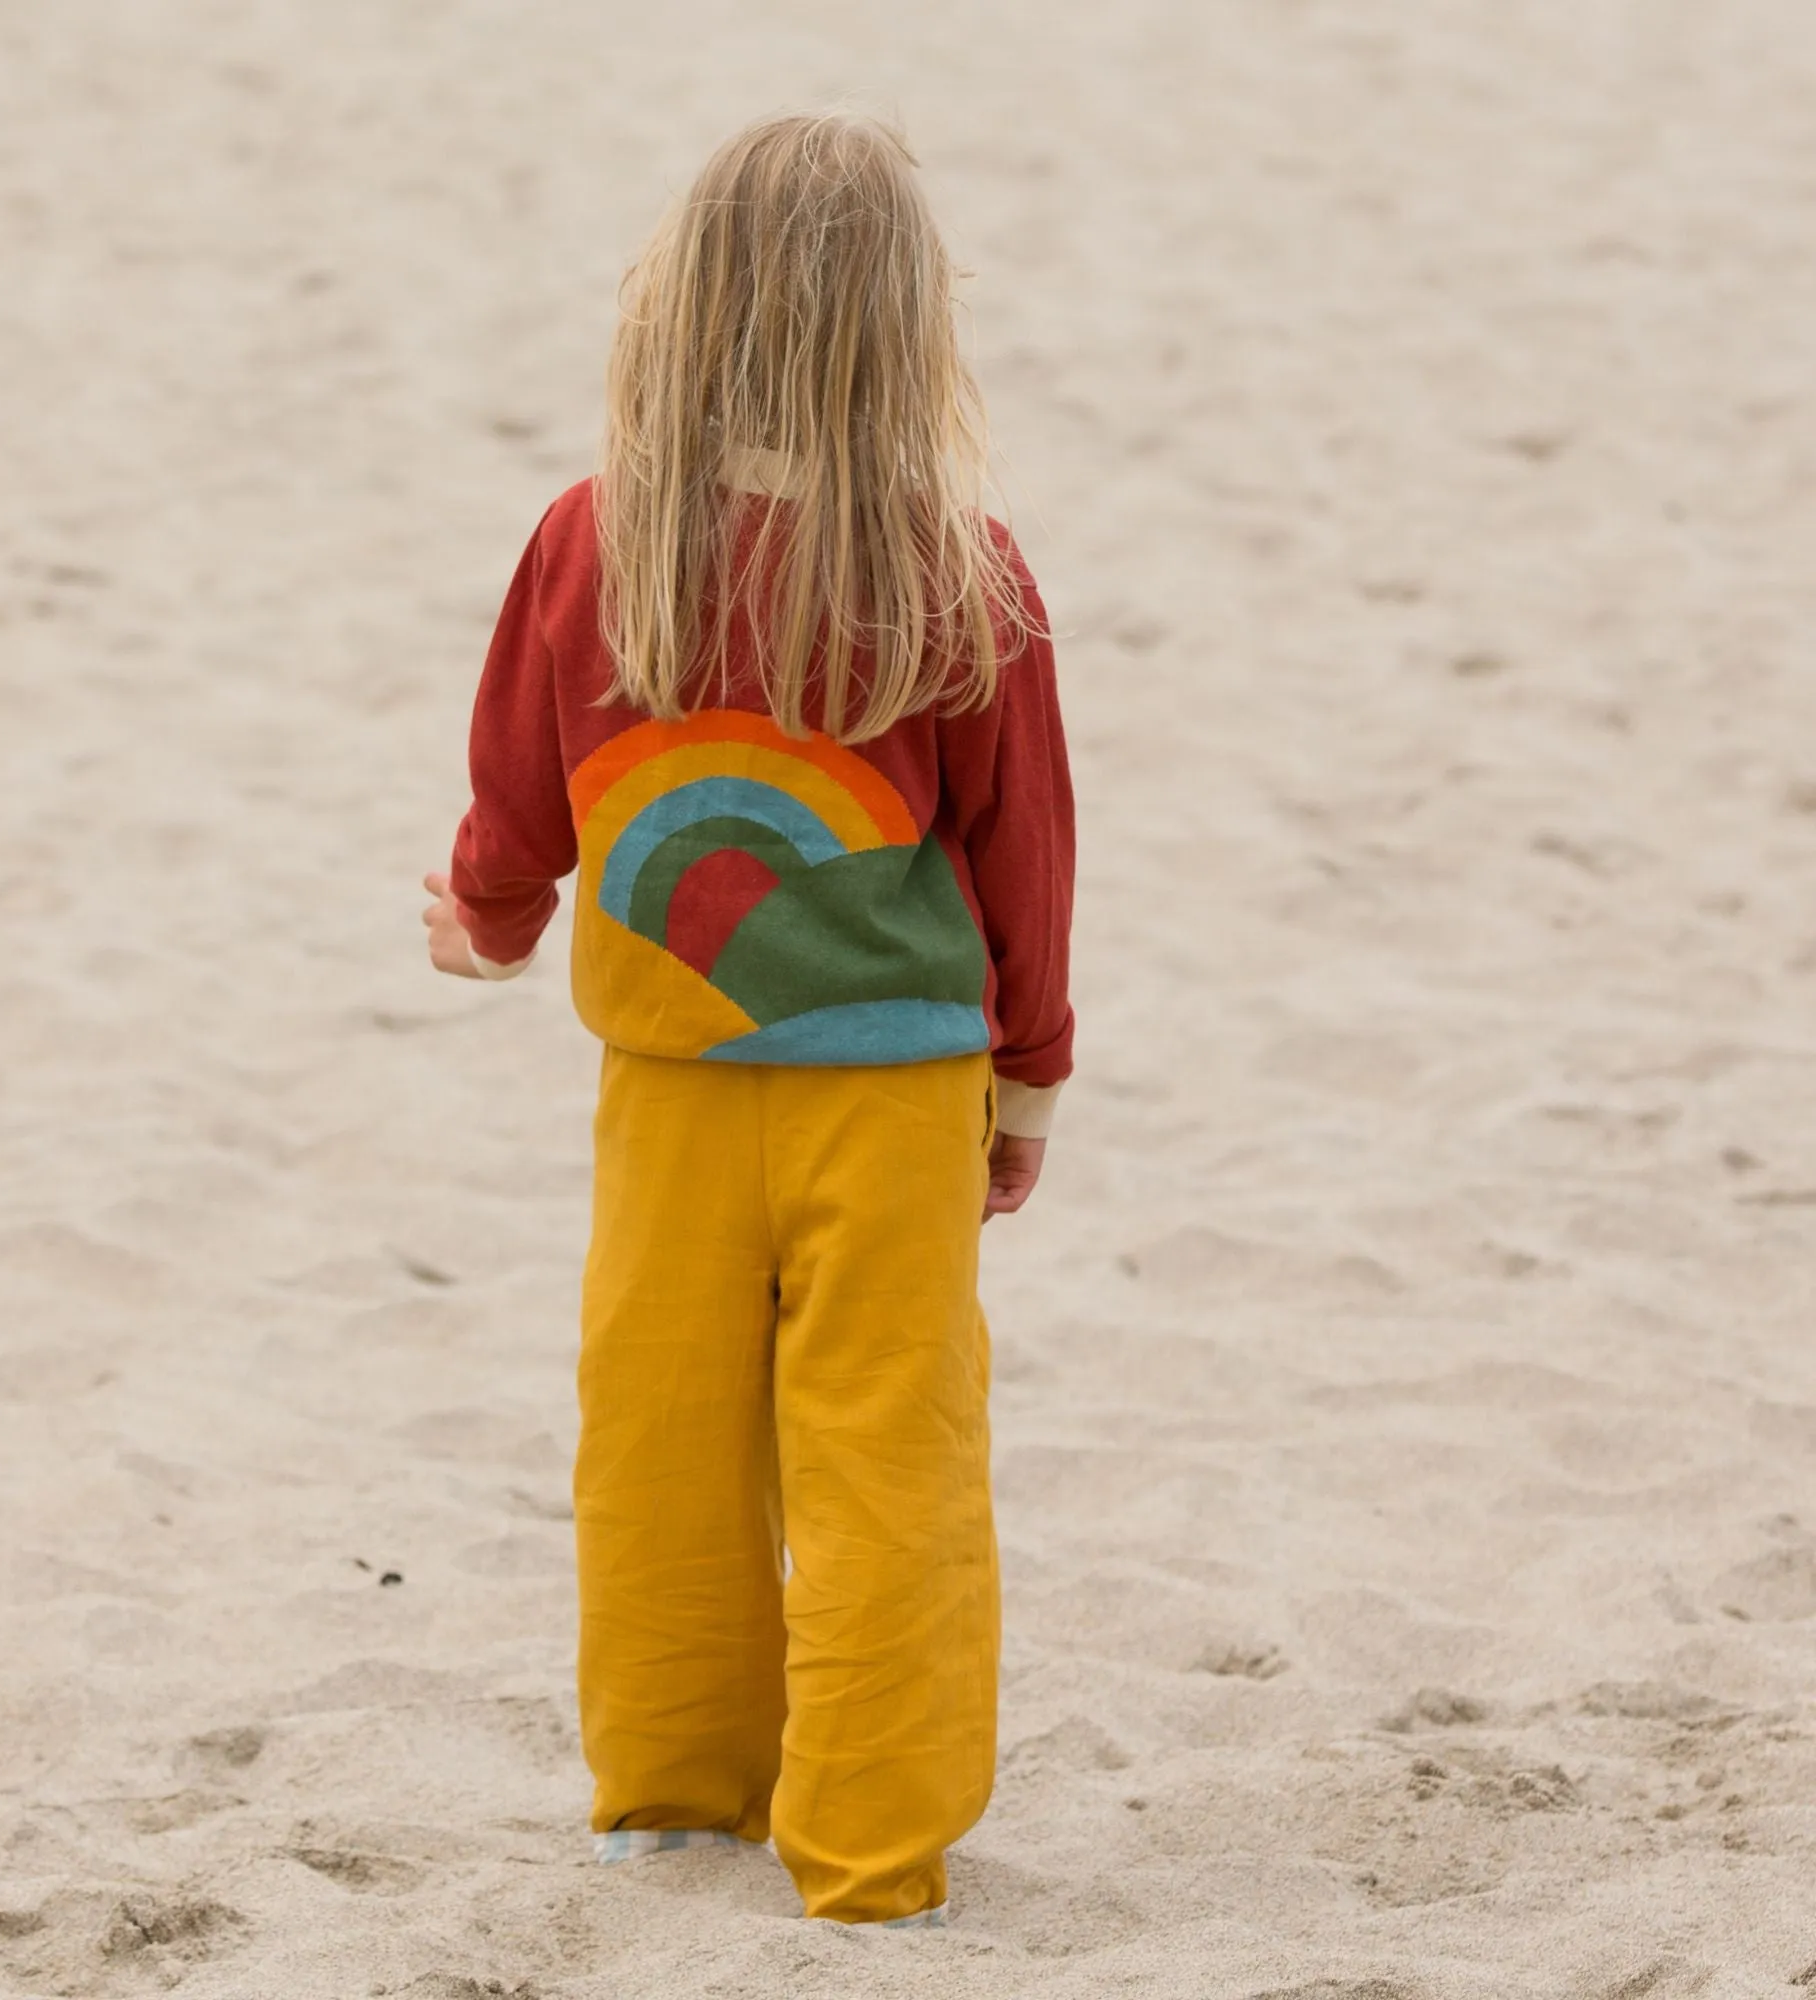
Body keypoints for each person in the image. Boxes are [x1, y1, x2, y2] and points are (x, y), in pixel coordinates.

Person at [420, 111, 1074, 1928]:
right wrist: (1032, 1084)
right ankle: (869, 1856)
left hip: (674, 1085)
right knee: (890, 1457)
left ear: (678, 308)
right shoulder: (962, 568)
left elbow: (520, 783)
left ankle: (673, 1799)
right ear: (904, 335)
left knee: (661, 1434)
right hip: (899, 1097)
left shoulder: (591, 537)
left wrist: (484, 915)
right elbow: (1026, 855)